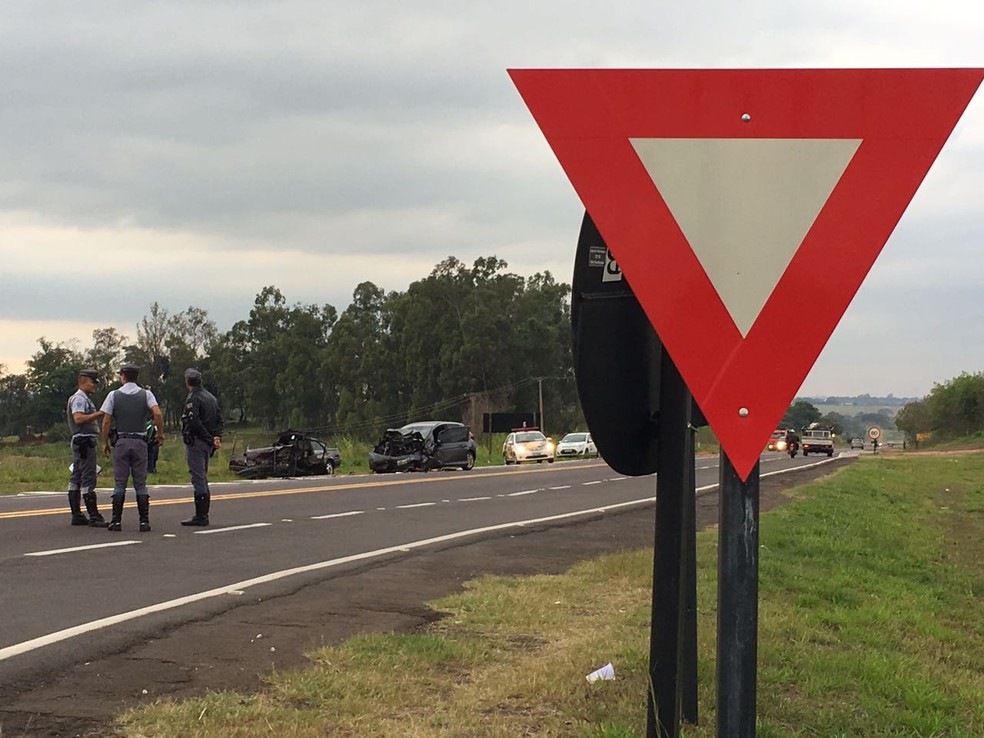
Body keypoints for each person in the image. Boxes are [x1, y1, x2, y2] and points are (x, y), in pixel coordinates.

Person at [99, 363, 164, 532]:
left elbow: (106, 420)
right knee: (140, 483)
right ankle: (144, 521)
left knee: (120, 483)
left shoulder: (114, 395)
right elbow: (157, 413)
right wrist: (160, 433)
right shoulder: (146, 394)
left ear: (123, 376)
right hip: (140, 441)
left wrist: (104, 441)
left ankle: (116, 521)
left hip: (121, 441)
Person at [180, 368, 223, 526]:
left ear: (187, 381)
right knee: (202, 476)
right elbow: (219, 419)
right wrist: (216, 437)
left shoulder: (193, 398)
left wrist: (209, 438)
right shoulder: (211, 397)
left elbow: (194, 422)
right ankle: (202, 514)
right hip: (207, 442)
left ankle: (201, 515)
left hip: (197, 441)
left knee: (198, 477)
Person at [66, 369, 108, 527]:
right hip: (84, 441)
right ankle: (94, 515)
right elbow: (78, 418)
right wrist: (99, 414)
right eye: (92, 382)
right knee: (88, 477)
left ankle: (77, 514)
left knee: (76, 477)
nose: (95, 385)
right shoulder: (79, 398)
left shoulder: (80, 397)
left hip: (80, 441)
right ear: (83, 381)